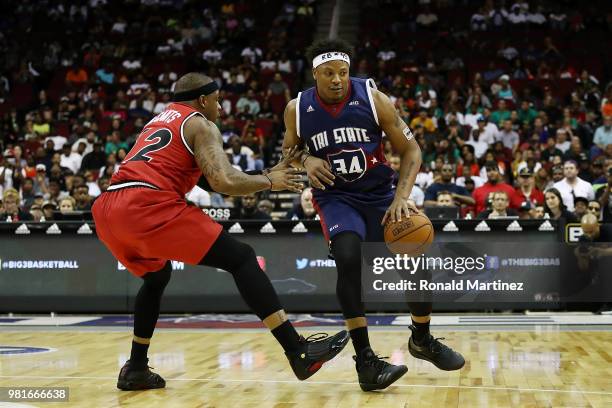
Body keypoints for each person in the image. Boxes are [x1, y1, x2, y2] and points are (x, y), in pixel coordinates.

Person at [92, 73, 349, 391]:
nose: (220, 107)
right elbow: (223, 182)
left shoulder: (158, 121)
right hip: (146, 204)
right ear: (202, 100)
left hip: (107, 208)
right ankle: (297, 351)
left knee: (157, 277)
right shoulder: (200, 123)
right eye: (217, 100)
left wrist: (264, 174)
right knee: (241, 258)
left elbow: (204, 178)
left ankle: (136, 368)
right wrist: (271, 181)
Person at [281, 39, 464, 392]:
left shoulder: (372, 97)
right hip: (337, 197)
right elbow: (289, 150)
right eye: (329, 73)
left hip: (381, 194)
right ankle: (366, 361)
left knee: (415, 261)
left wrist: (402, 197)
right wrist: (305, 159)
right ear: (315, 74)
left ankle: (422, 339)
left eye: (343, 73)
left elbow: (411, 149)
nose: (338, 79)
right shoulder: (297, 108)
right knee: (349, 258)